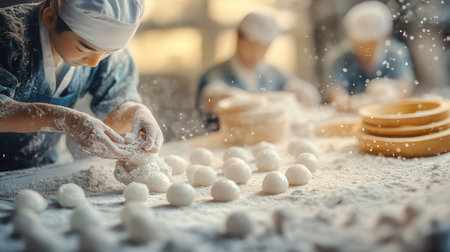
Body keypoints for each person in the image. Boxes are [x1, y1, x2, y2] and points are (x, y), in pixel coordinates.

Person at [0, 0, 164, 171]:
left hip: (49, 167)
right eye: (84, 49)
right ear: (51, 18)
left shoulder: (105, 52)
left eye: (107, 53)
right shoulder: (7, 36)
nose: (94, 62)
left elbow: (114, 111)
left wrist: (136, 112)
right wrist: (67, 120)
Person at [196, 12, 321, 126]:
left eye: (264, 48)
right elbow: (212, 100)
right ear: (238, 39)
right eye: (253, 46)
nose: (257, 54)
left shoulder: (272, 74)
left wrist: (302, 94)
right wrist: (263, 101)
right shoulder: (216, 74)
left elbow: (308, 94)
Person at [324, 1, 416, 111]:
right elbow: (336, 91)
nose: (366, 51)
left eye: (372, 45)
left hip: (389, 111)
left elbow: (405, 85)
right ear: (351, 40)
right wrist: (345, 102)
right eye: (361, 45)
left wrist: (392, 95)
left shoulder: (396, 53)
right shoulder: (340, 57)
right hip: (353, 114)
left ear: (385, 37)